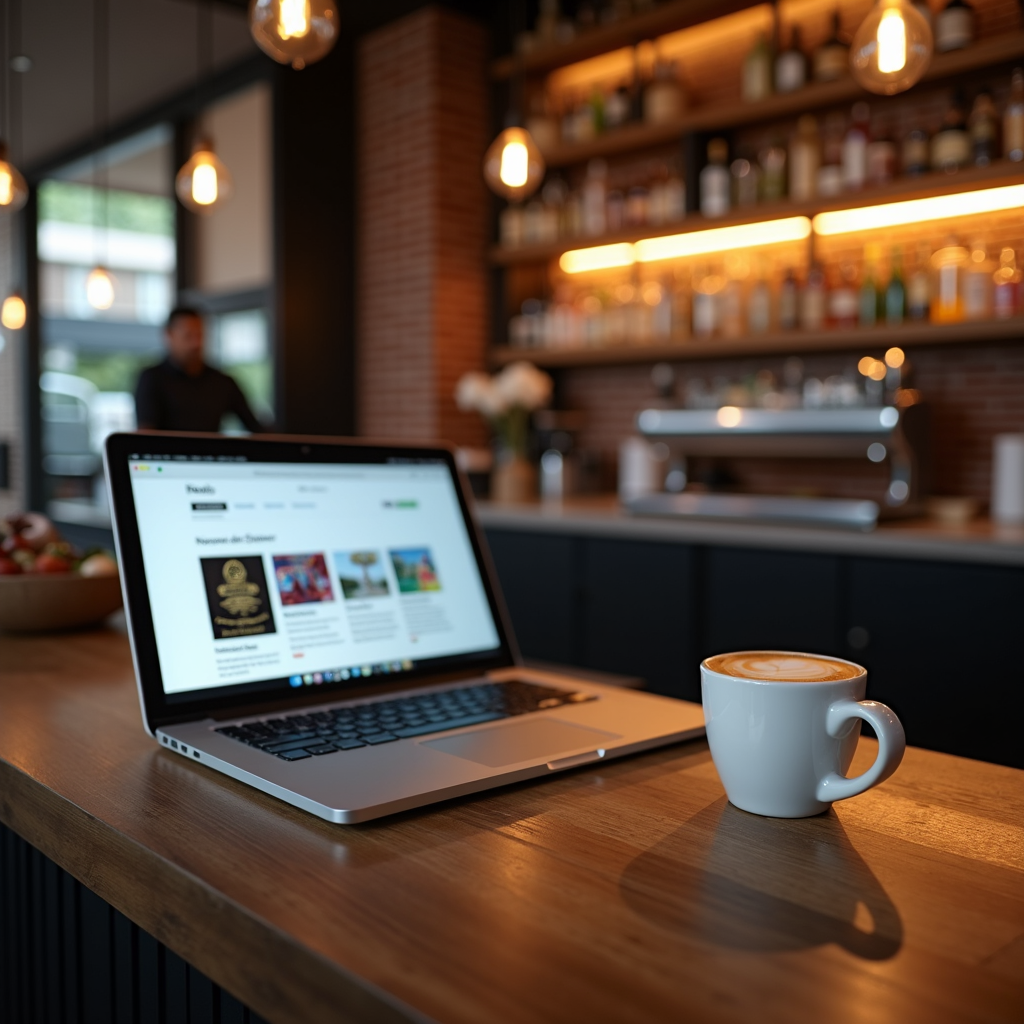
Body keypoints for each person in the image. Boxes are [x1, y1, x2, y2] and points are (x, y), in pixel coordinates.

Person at [135, 307, 266, 432]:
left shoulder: (222, 382)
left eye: (200, 336)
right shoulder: (152, 379)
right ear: (169, 335)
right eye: (188, 336)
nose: (196, 344)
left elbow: (255, 427)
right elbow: (147, 434)